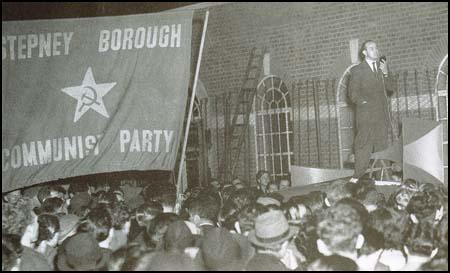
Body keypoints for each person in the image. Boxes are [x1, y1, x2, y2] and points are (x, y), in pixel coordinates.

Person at [347, 40, 395, 183]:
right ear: (364, 52)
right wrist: (365, 102)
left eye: (376, 48)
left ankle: (385, 178)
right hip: (366, 118)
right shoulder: (357, 70)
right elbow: (352, 94)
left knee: (382, 148)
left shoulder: (382, 68)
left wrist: (386, 73)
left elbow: (391, 88)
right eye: (371, 48)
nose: (376, 50)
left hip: (381, 119)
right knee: (363, 147)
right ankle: (356, 179)